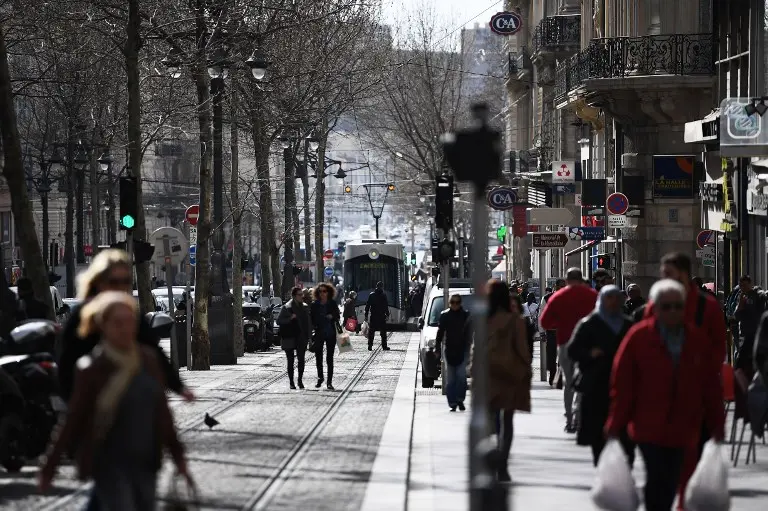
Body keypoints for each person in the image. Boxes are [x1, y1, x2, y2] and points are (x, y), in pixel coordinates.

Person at [38, 292, 193, 509]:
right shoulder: (91, 368)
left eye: (130, 322)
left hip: (146, 462)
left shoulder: (148, 360)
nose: (125, 328)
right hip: (109, 462)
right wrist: (50, 465)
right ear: (104, 327)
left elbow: (162, 413)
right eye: (118, 323)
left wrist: (179, 457)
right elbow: (73, 417)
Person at [605, 279, 724, 511]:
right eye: (666, 306)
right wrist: (615, 422)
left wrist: (717, 424)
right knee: (659, 479)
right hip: (648, 426)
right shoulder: (638, 338)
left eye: (678, 306)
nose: (673, 312)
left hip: (686, 426)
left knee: (678, 478)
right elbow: (622, 384)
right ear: (655, 308)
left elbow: (710, 385)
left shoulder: (696, 339)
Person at [58, 249, 192, 403]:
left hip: (127, 396)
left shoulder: (129, 311)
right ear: (99, 281)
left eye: (126, 281)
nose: (120, 287)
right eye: (114, 282)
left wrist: (179, 387)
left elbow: (153, 350)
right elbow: (66, 363)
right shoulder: (82, 315)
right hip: (90, 398)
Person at [567, 285, 634, 466]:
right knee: (598, 435)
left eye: (616, 297)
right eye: (609, 297)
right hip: (596, 386)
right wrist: (589, 354)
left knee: (625, 439)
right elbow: (573, 350)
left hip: (623, 387)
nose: (613, 302)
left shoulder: (628, 325)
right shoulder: (589, 324)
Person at [470, 279, 530, 482]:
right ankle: (502, 464)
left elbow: (476, 350)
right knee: (507, 422)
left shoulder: (482, 319)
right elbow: (523, 351)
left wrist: (473, 372)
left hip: (487, 375)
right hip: (510, 376)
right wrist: (525, 374)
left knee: (486, 420)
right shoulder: (516, 320)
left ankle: (487, 461)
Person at [539, 268, 598, 433]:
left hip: (565, 343)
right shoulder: (592, 296)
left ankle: (569, 419)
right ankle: (579, 416)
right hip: (587, 345)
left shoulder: (558, 297)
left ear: (566, 280)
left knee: (569, 382)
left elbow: (545, 322)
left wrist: (559, 325)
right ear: (581, 279)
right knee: (584, 380)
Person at [435, 294, 471, 412]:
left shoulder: (465, 315)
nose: (455, 305)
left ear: (460, 303)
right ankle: (452, 403)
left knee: (461, 377)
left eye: (457, 302)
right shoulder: (445, 315)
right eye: (453, 302)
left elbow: (469, 334)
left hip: (462, 350)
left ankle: (460, 399)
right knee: (451, 379)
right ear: (450, 303)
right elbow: (440, 333)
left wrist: (470, 349)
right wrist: (437, 349)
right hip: (449, 350)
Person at [277, 286, 311, 389]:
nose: (302, 297)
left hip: (301, 337)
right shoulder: (286, 307)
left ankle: (300, 381)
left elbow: (308, 323)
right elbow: (279, 321)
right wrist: (289, 318)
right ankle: (291, 382)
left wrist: (309, 337)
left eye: (302, 295)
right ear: (294, 296)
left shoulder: (305, 307)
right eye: (299, 295)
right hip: (289, 336)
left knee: (301, 360)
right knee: (290, 361)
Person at [310, 283, 341, 390]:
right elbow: (311, 318)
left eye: (324, 291)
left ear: (328, 292)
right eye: (320, 291)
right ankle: (320, 377)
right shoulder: (314, 305)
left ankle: (329, 382)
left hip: (330, 333)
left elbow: (337, 315)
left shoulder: (332, 303)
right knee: (318, 357)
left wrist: (332, 315)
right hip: (319, 333)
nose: (322, 293)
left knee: (329, 358)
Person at [541, 279, 565, 386]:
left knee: (563, 355)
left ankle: (560, 376)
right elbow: (541, 315)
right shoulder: (546, 298)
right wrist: (542, 332)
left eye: (564, 286)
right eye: (561, 286)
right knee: (551, 356)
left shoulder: (568, 297)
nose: (563, 288)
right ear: (555, 287)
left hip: (565, 332)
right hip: (551, 332)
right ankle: (552, 374)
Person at [364, 281, 391, 351]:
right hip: (381, 316)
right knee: (383, 333)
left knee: (371, 332)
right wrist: (387, 314)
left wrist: (366, 315)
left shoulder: (371, 295)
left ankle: (370, 346)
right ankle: (384, 346)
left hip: (373, 316)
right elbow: (385, 306)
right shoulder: (383, 295)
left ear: (376, 286)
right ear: (382, 287)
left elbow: (367, 306)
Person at [522, 292, 539, 359]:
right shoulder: (523, 305)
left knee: (530, 337)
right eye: (527, 297)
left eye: (529, 297)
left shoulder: (535, 305)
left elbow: (538, 314)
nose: (527, 298)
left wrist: (535, 318)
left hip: (531, 323)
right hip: (524, 322)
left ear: (532, 298)